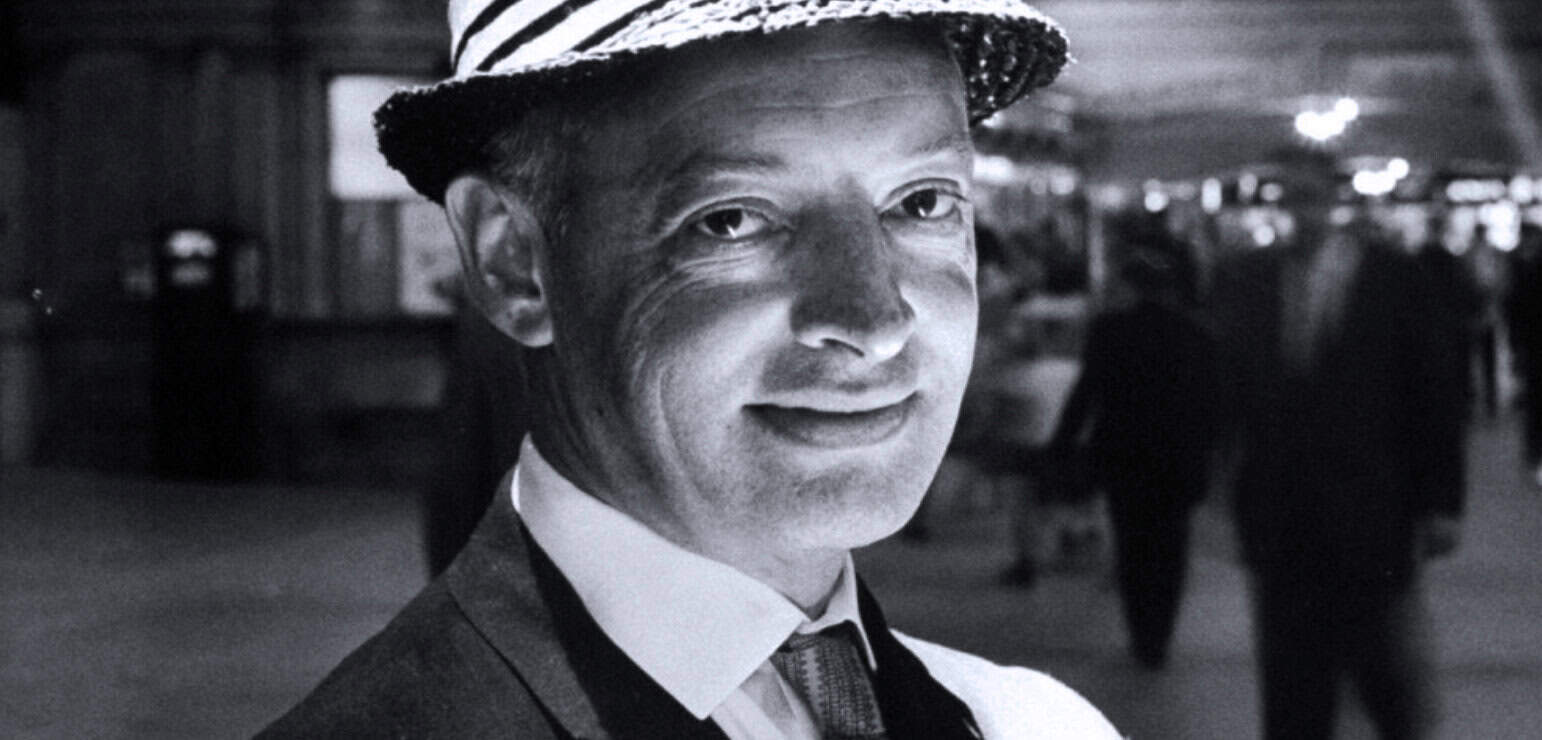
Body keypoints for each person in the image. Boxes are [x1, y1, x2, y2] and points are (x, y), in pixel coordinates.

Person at [259, 0, 1119, 737]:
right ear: (514, 261)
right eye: (732, 219)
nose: (874, 321)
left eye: (923, 202)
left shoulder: (1032, 721)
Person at [1210, 159, 1466, 739]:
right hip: (1279, 509)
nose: (1300, 210)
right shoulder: (1249, 277)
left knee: (1382, 662)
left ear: (1334, 200)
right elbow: (1232, 389)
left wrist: (1442, 501)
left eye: (1310, 197)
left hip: (1374, 503)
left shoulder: (1393, 278)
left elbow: (1432, 392)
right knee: (1289, 670)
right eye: (1289, 197)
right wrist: (1222, 485)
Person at [1048, 217, 1219, 670]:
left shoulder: (1110, 331)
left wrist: (1061, 448)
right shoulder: (1197, 335)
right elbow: (1216, 402)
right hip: (1179, 458)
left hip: (1124, 454)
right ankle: (1160, 633)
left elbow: (1086, 395)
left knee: (1132, 544)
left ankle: (1141, 630)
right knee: (1171, 547)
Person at [1505, 222, 1542, 485]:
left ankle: (1534, 452)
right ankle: (1534, 452)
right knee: (1534, 401)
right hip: (1531, 344)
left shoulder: (1519, 266)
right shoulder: (1516, 266)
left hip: (1531, 342)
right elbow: (1513, 310)